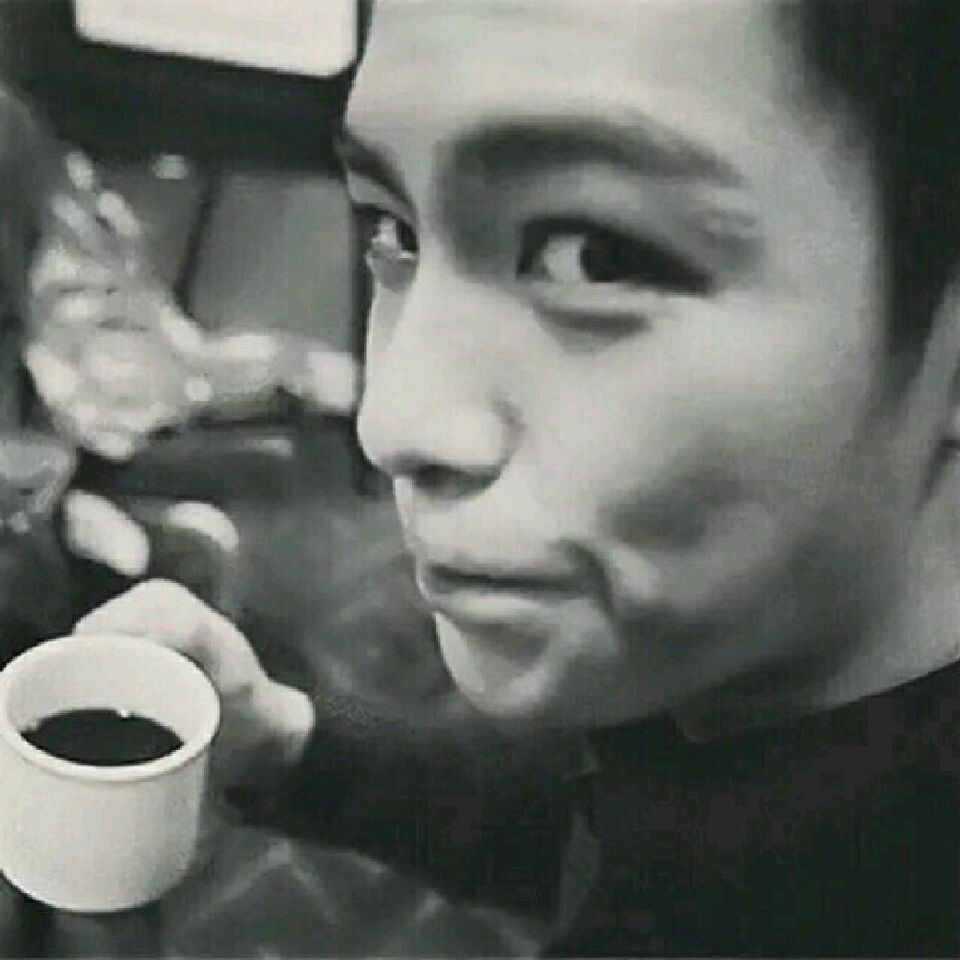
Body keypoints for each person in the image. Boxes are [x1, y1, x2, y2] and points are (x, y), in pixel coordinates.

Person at [74, 0, 960, 954]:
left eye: (596, 256)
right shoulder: (750, 699)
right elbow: (611, 818)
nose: (391, 422)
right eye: (393, 231)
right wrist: (292, 745)